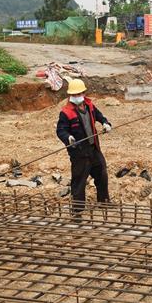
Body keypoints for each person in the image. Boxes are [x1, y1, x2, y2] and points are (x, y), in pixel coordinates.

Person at [55, 78, 112, 213]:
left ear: (83, 93)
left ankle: (104, 202)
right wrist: (68, 138)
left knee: (102, 174)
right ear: (70, 95)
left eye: (79, 93)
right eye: (74, 94)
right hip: (79, 153)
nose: (77, 96)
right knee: (79, 181)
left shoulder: (89, 106)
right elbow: (61, 130)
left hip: (93, 148)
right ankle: (78, 209)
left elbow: (99, 116)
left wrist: (105, 123)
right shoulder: (66, 112)